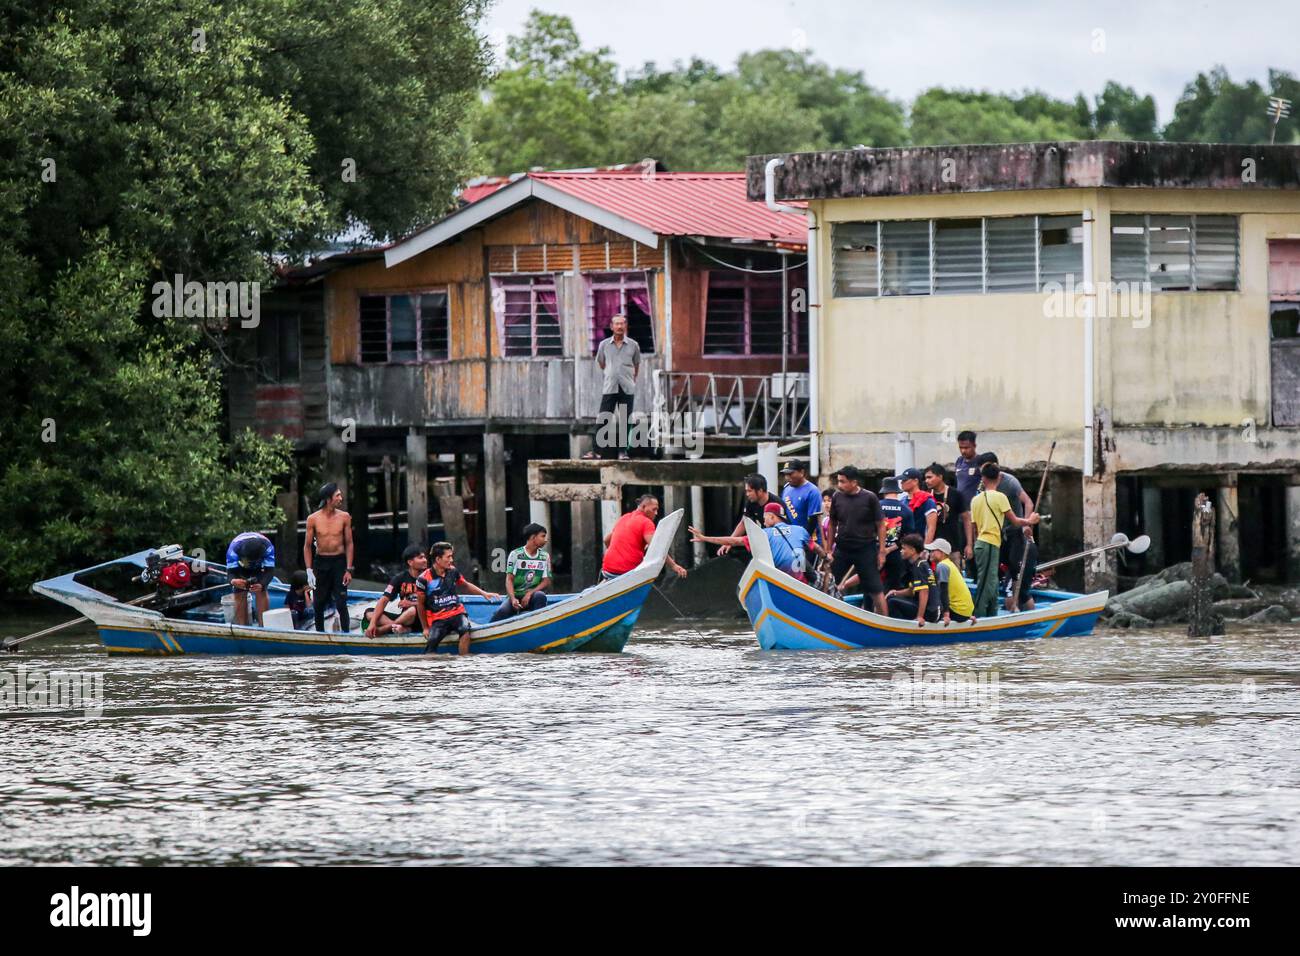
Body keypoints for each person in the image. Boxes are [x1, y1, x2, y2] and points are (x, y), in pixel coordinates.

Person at [970, 462, 1040, 618]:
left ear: (984, 479)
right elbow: (1015, 521)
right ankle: (979, 615)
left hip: (985, 543)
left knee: (992, 582)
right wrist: (1031, 521)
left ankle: (992, 614)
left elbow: (974, 527)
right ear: (998, 477)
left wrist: (973, 544)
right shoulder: (1000, 497)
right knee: (986, 582)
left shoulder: (975, 500)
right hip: (989, 544)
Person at [689, 502, 817, 580]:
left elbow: (735, 541)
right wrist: (826, 557)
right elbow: (815, 547)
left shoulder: (764, 534)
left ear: (772, 517)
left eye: (765, 518)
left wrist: (705, 538)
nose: (764, 522)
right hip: (802, 583)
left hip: (782, 582)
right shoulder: (799, 530)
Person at [417, 541, 501, 655]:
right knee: (432, 642)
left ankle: (463, 662)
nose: (451, 560)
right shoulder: (423, 579)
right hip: (437, 618)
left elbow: (465, 584)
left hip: (457, 613)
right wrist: (425, 628)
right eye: (448, 557)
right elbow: (420, 604)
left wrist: (484, 594)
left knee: (465, 629)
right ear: (438, 559)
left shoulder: (452, 571)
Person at [825, 465, 887, 614]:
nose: (839, 485)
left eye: (843, 482)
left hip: (865, 548)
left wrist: (882, 552)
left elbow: (881, 525)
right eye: (838, 481)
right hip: (842, 547)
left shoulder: (869, 497)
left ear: (854, 482)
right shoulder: (837, 497)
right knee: (829, 582)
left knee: (875, 589)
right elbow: (832, 523)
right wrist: (828, 550)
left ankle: (885, 622)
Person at [586, 314, 641, 461]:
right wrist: (612, 373)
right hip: (610, 387)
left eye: (622, 324)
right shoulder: (604, 345)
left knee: (625, 420)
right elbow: (601, 363)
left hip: (627, 387)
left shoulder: (633, 345)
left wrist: (630, 379)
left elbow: (636, 365)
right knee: (604, 418)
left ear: (625, 326)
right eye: (617, 324)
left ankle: (623, 452)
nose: (619, 326)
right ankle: (596, 452)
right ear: (611, 327)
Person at [304, 482, 354, 633]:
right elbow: (307, 546)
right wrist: (309, 570)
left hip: (339, 561)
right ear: (328, 499)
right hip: (321, 562)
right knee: (318, 603)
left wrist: (349, 569)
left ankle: (346, 634)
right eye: (337, 495)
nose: (341, 497)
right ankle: (320, 634)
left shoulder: (344, 517)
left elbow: (349, 543)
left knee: (341, 602)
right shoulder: (313, 519)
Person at [601, 494, 689, 580]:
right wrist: (674, 566)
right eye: (654, 509)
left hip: (607, 570)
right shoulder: (646, 522)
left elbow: (606, 540)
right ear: (643, 507)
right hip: (625, 573)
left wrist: (618, 552)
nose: (656, 513)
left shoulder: (624, 517)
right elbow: (657, 548)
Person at [491, 523, 552, 622]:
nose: (545, 539)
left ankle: (537, 625)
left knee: (540, 596)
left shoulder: (545, 556)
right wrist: (513, 598)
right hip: (516, 596)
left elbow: (546, 581)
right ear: (533, 537)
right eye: (543, 536)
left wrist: (529, 594)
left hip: (533, 597)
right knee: (502, 612)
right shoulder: (516, 555)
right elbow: (509, 579)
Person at [718, 474, 791, 556]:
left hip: (777, 544)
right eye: (746, 491)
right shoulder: (751, 502)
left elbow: (785, 529)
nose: (747, 494)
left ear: (760, 491)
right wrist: (729, 542)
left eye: (749, 491)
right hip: (763, 541)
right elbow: (743, 522)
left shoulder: (776, 504)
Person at [365, 544, 427, 637]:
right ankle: (400, 627)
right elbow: (384, 600)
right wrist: (372, 624)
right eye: (420, 558)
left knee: (412, 610)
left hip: (422, 617)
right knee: (370, 613)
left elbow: (434, 601)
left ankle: (386, 628)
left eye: (425, 557)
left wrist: (411, 604)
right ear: (410, 562)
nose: (425, 560)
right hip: (404, 618)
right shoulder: (399, 578)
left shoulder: (429, 577)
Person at [924, 463, 973, 569]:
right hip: (932, 548)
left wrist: (969, 544)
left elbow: (967, 519)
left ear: (940, 477)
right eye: (925, 478)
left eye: (930, 477)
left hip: (953, 547)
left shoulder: (955, 494)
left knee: (954, 578)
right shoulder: (926, 495)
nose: (927, 481)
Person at [885, 534, 939, 624]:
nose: (901, 551)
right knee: (892, 596)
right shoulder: (920, 563)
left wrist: (920, 617)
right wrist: (896, 592)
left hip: (930, 612)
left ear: (913, 550)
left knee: (892, 602)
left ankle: (898, 630)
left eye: (904, 548)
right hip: (931, 609)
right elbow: (913, 590)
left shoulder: (919, 566)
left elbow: (924, 591)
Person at [226, 531, 275, 626]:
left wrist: (262, 584)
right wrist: (233, 581)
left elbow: (270, 571)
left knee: (262, 591)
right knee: (239, 592)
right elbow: (231, 572)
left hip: (259, 567)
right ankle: (242, 626)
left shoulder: (268, 548)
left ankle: (263, 625)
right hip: (240, 568)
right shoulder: (233, 550)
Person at [877, 476, 916, 591]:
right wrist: (889, 549)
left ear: (884, 491)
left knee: (871, 585)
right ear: (897, 491)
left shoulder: (876, 506)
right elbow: (908, 538)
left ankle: (868, 608)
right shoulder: (906, 510)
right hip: (896, 553)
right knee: (893, 586)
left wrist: (882, 549)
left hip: (875, 550)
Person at [927, 538, 975, 624]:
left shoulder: (942, 566)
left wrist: (946, 614)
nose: (930, 553)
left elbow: (943, 591)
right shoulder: (949, 563)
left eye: (933, 551)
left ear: (942, 553)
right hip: (965, 612)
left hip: (958, 612)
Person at [780, 460, 823, 543]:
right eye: (785, 474)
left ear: (802, 472)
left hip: (809, 540)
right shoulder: (786, 488)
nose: (787, 477)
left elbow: (812, 520)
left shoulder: (812, 491)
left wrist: (802, 538)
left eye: (790, 473)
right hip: (791, 538)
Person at [898, 468, 939, 544]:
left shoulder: (927, 500)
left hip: (919, 545)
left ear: (915, 481)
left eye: (905, 480)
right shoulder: (902, 501)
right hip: (904, 545)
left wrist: (926, 548)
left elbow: (931, 528)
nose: (901, 483)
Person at [954, 430, 982, 500]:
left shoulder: (980, 461)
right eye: (961, 447)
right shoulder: (959, 461)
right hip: (961, 506)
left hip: (975, 505)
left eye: (966, 448)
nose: (963, 451)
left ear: (974, 446)